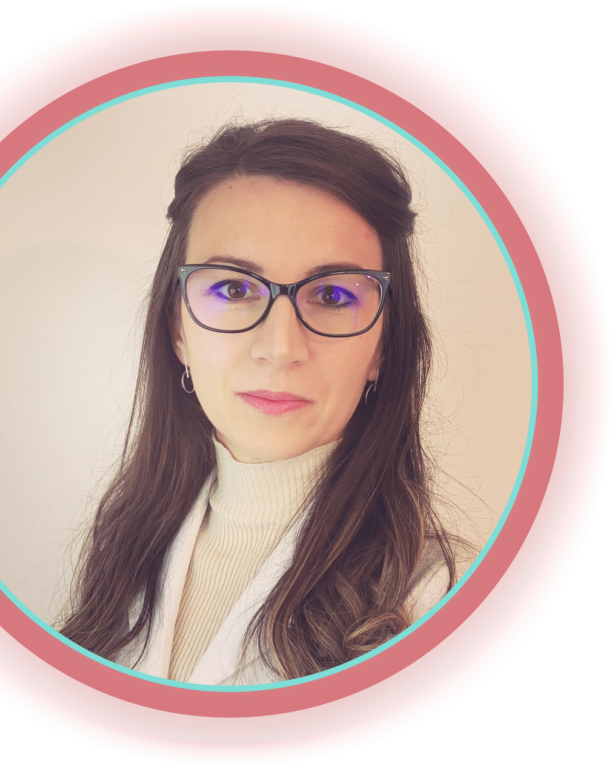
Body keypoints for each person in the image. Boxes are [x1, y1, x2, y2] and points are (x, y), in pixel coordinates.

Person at [60, 118, 469, 685]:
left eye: (333, 295)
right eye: (233, 288)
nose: (280, 349)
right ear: (178, 330)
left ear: (382, 347)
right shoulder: (124, 551)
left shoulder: (448, 605)